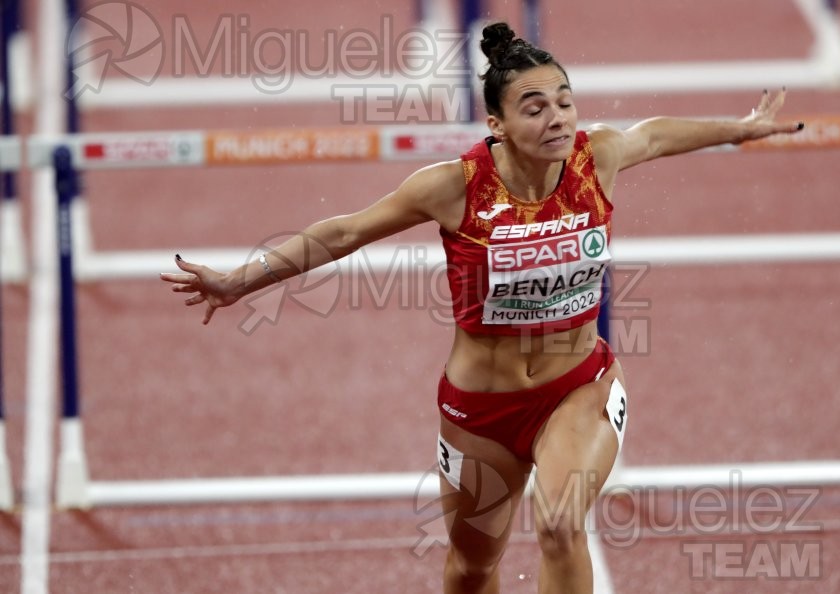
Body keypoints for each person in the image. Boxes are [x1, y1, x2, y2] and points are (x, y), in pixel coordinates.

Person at [161, 22, 803, 594]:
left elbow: (654, 136)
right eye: (534, 108)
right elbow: (344, 232)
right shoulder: (452, 188)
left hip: (576, 388)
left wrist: (740, 130)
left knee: (558, 523)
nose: (557, 119)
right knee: (471, 568)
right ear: (496, 124)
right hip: (480, 410)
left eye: (565, 102)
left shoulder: (595, 158)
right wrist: (241, 281)